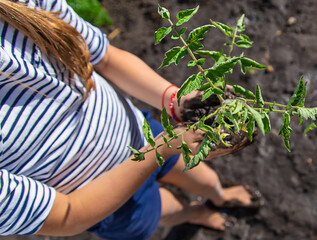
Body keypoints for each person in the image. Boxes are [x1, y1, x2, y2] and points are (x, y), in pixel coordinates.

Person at [0, 0, 259, 239]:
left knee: (204, 178)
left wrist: (175, 101)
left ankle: (220, 195)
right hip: (106, 202)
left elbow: (107, 58)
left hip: (138, 131)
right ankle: (194, 213)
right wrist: (163, 146)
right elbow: (67, 214)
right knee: (165, 209)